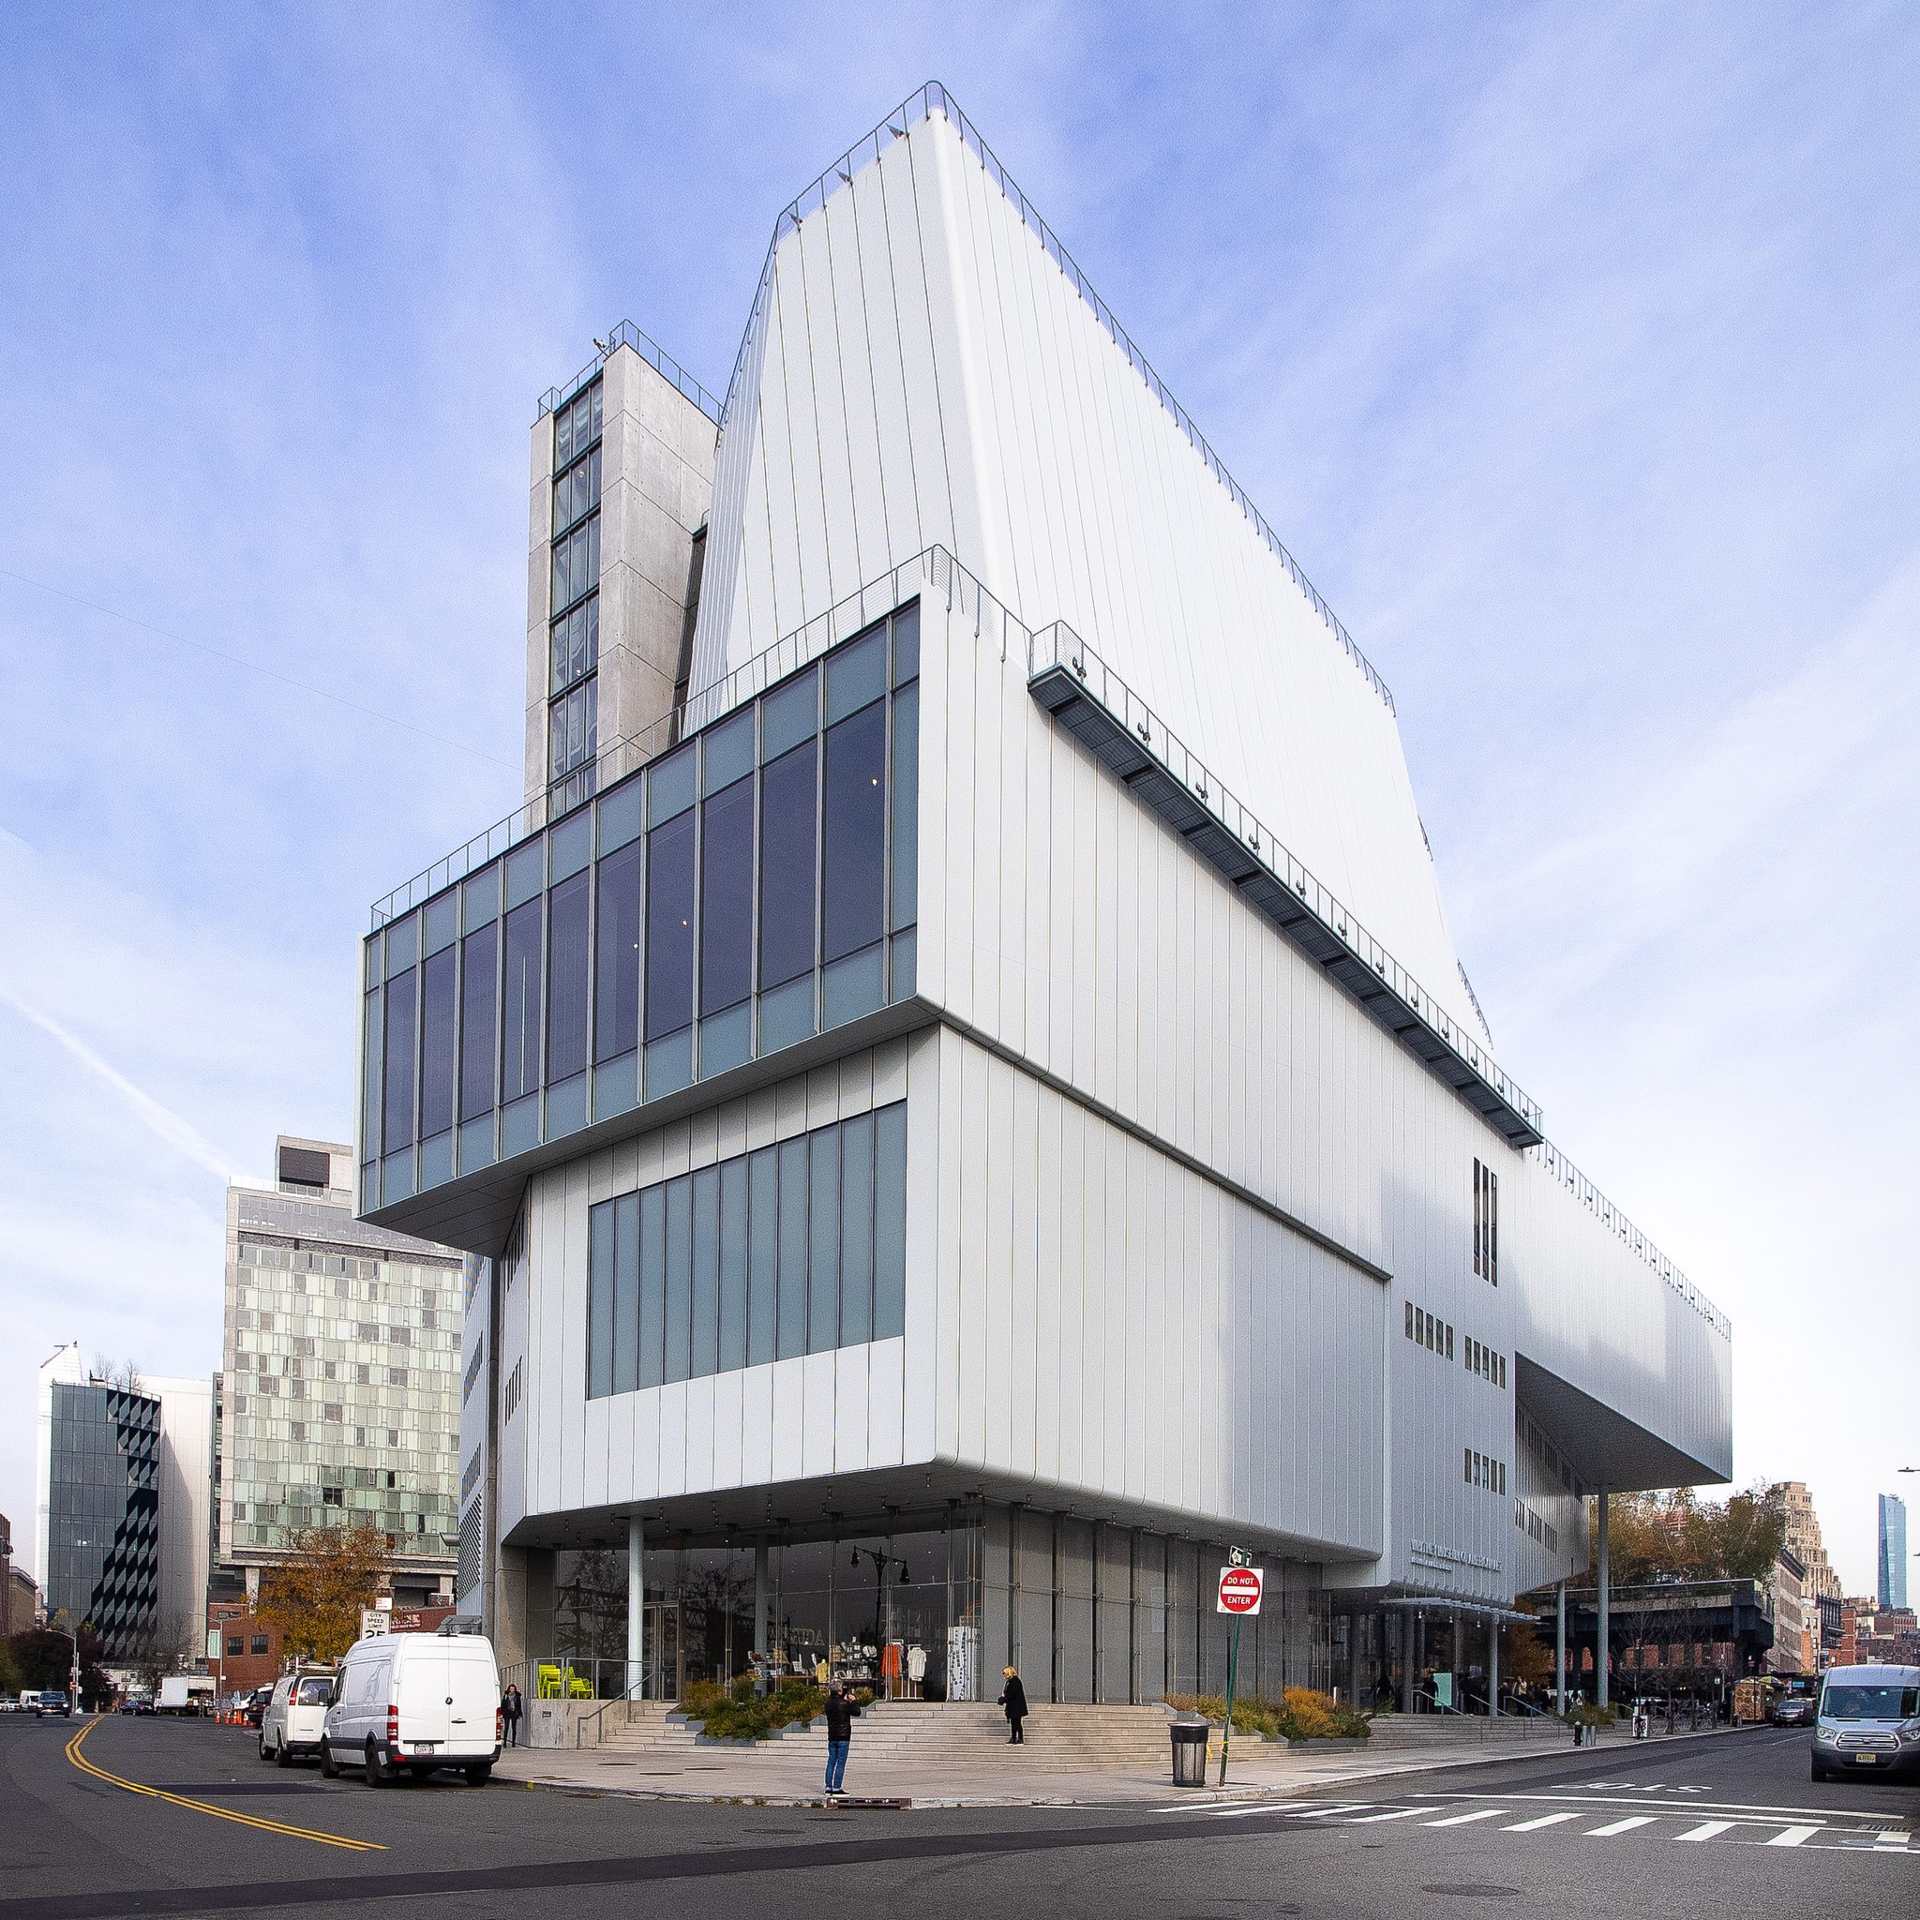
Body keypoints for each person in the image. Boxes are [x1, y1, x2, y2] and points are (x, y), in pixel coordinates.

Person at [822, 1682, 860, 1796]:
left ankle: (828, 1787)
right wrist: (853, 1701)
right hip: (843, 1736)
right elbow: (857, 1712)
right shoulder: (844, 1703)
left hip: (832, 1736)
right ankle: (837, 1787)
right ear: (839, 1691)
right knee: (841, 1762)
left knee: (831, 1761)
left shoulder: (828, 1704)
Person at [998, 1666, 1029, 1744]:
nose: (1004, 1675)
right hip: (1013, 1706)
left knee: (1017, 1723)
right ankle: (1014, 1738)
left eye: (1004, 1673)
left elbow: (1012, 1694)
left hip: (1017, 1706)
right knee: (1014, 1723)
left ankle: (1020, 1738)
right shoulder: (1010, 1681)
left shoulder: (1015, 1681)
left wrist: (1003, 1699)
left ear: (1009, 1673)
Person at [500, 1683, 523, 1748]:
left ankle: (513, 1742)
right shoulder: (506, 1695)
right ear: (509, 1689)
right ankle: (504, 1742)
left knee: (514, 1728)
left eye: (513, 1689)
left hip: (514, 1713)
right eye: (511, 1689)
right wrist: (502, 1713)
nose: (512, 1690)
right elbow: (503, 1704)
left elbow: (519, 1705)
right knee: (506, 1727)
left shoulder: (517, 1696)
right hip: (507, 1713)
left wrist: (519, 1713)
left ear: (515, 1689)